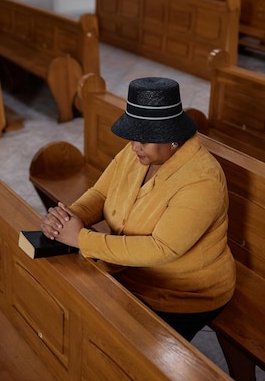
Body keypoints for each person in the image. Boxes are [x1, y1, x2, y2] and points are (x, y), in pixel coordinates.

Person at [41, 77, 236, 341]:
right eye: (133, 136)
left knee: (114, 344)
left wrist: (81, 239)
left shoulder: (202, 178)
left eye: (144, 139)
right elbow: (100, 193)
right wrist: (67, 218)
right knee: (64, 306)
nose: (134, 146)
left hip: (183, 293)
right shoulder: (137, 154)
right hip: (128, 271)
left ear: (172, 137)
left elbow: (162, 248)